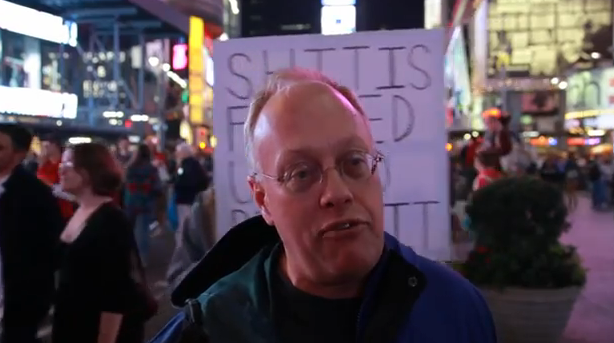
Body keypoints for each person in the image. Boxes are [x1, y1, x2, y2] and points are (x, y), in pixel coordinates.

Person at [167, 69, 496, 342]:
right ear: (262, 199)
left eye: (354, 162)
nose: (337, 193)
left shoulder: (456, 308)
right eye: (301, 173)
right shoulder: (207, 329)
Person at [53, 143, 149, 342]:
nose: (61, 169)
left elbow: (115, 293)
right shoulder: (79, 210)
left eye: (68, 164)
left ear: (90, 171)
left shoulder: (111, 220)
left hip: (94, 329)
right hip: (71, 323)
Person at [0, 123, 64, 343]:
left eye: (0, 148)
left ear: (19, 154)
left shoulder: (35, 195)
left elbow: (51, 246)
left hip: (20, 295)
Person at [125, 144, 163, 266]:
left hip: (130, 204)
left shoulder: (130, 168)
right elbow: (157, 188)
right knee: (142, 234)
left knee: (128, 233)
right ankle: (142, 260)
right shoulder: (151, 169)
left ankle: (128, 259)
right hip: (146, 205)